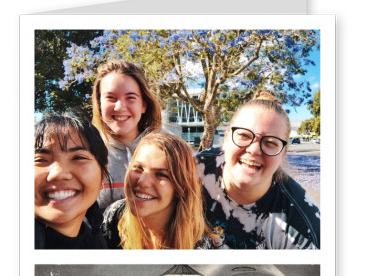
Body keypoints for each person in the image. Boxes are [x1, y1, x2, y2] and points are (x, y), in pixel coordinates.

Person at [197, 90, 320, 249]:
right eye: (244, 136)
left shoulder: (302, 227)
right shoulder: (193, 170)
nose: (254, 150)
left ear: (283, 154)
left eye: (270, 142)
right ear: (226, 139)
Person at [102, 133, 214, 249]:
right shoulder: (113, 217)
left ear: (181, 187)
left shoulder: (199, 246)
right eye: (138, 168)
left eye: (161, 175)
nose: (142, 182)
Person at [91, 59, 162, 210]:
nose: (120, 107)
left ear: (143, 105)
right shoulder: (86, 153)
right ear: (99, 103)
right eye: (110, 97)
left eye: (130, 97)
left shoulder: (167, 151)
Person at [35, 111, 110, 249]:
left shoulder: (97, 244)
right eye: (40, 160)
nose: (58, 173)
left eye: (78, 158)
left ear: (103, 177)